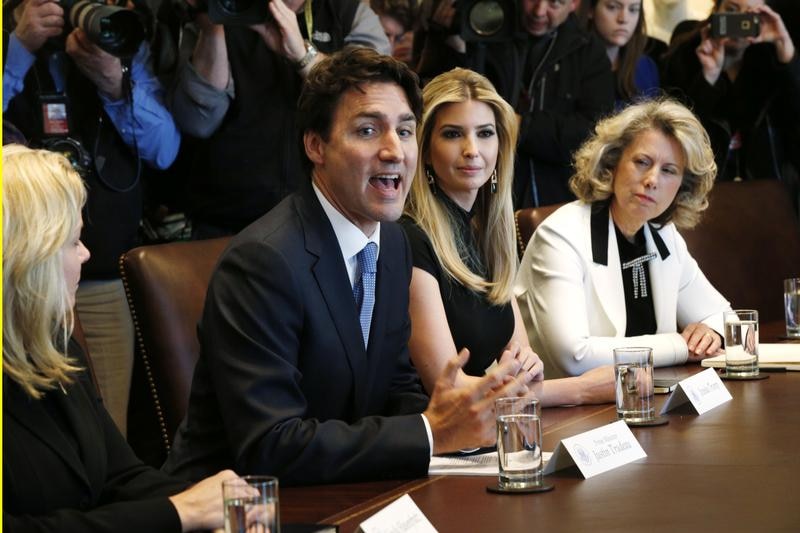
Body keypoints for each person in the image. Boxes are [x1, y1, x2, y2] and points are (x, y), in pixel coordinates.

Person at [163, 47, 532, 485]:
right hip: (240, 506)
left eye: (406, 130)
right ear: (316, 145)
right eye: (368, 130)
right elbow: (271, 445)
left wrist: (463, 414)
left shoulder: (392, 242)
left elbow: (394, 387)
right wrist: (431, 431)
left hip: (348, 486)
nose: (394, 150)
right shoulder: (263, 261)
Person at [2, 145, 240, 532]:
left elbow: (121, 477)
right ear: (28, 258)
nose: (85, 254)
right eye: (72, 241)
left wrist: (216, 503)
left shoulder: (53, 345)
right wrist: (180, 512)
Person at [3, 0, 182, 436]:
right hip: (15, 276)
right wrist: (20, 49)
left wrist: (112, 81)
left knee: (107, 427)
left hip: (101, 272)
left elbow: (165, 148)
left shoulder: (118, 37)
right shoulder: (13, 39)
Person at [401, 68, 615, 406]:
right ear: (425, 149)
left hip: (500, 428)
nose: (472, 149)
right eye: (453, 134)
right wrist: (580, 389)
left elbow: (523, 359)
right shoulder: (410, 238)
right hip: (441, 446)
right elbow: (450, 390)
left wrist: (530, 370)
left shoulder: (486, 233)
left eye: (485, 133)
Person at [516, 99, 732, 378]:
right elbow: (574, 356)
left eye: (669, 170)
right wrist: (681, 345)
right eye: (642, 162)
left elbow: (727, 321)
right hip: (563, 411)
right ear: (612, 162)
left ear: (682, 186)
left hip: (641, 399)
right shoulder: (560, 236)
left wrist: (711, 332)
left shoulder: (664, 236)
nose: (653, 180)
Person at [169, 0, 391, 238]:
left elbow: (372, 101)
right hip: (226, 219)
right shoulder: (224, 7)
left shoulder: (347, 12)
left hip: (324, 221)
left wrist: (302, 55)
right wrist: (213, 28)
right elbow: (198, 122)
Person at [413, 0, 615, 208]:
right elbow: (435, 105)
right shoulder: (483, 27)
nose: (539, 11)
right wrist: (443, 40)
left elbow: (594, 132)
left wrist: (518, 124)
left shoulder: (588, 52)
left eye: (555, 3)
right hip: (478, 190)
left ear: (574, 3)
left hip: (555, 196)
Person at [661, 0, 800, 185]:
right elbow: (676, 136)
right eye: (731, 10)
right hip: (701, 183)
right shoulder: (685, 55)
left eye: (752, 14)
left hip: (765, 186)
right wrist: (708, 78)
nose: (739, 20)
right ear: (716, 10)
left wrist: (786, 52)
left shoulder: (772, 59)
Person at [577, 0, 660, 106]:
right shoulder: (568, 65)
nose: (623, 19)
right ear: (590, 10)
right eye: (612, 7)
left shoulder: (646, 68)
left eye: (633, 9)